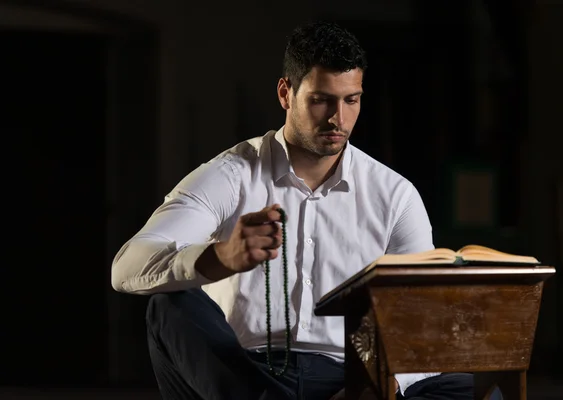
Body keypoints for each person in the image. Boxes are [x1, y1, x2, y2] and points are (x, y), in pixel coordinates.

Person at [111, 21, 479, 400]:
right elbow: (125, 268)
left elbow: (420, 322)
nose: (338, 118)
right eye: (321, 100)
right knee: (170, 304)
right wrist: (219, 257)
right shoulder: (231, 174)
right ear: (286, 93)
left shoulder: (395, 195)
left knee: (473, 390)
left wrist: (373, 388)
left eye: (351, 100)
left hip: (351, 380)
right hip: (250, 377)